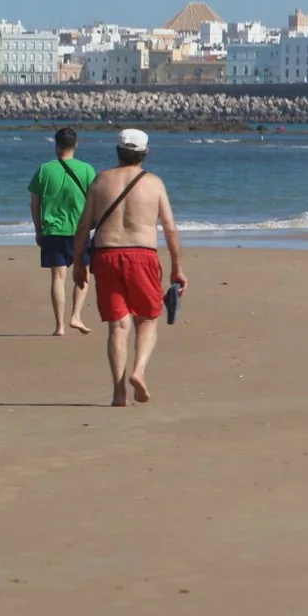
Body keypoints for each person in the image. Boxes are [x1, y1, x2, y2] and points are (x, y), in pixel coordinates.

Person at [73, 129, 187, 408]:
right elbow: (170, 229)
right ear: (145, 153)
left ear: (118, 151)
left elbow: (84, 226)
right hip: (143, 255)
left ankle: (118, 393)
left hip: (106, 256)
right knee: (147, 319)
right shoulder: (154, 184)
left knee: (118, 325)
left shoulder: (101, 180)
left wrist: (78, 262)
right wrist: (177, 267)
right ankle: (138, 370)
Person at [28, 127, 98, 336]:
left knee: (58, 277)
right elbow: (95, 200)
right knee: (82, 275)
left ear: (56, 145)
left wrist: (38, 229)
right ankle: (75, 316)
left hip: (53, 230)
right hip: (80, 230)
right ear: (75, 145)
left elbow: (34, 203)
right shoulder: (87, 170)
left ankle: (59, 326)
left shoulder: (44, 170)